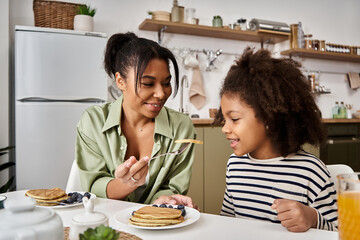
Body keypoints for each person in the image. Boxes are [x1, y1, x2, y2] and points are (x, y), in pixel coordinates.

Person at [213, 47, 337, 232]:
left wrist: (313, 218)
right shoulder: (235, 165)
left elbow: (341, 232)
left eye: (235, 119)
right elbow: (228, 224)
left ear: (269, 118)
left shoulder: (311, 172)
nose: (225, 128)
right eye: (224, 119)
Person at [75, 32, 196, 205]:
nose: (161, 94)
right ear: (120, 81)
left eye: (166, 83)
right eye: (148, 83)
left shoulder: (182, 128)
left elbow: (173, 188)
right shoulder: (93, 122)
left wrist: (165, 200)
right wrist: (126, 184)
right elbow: (93, 186)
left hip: (156, 222)